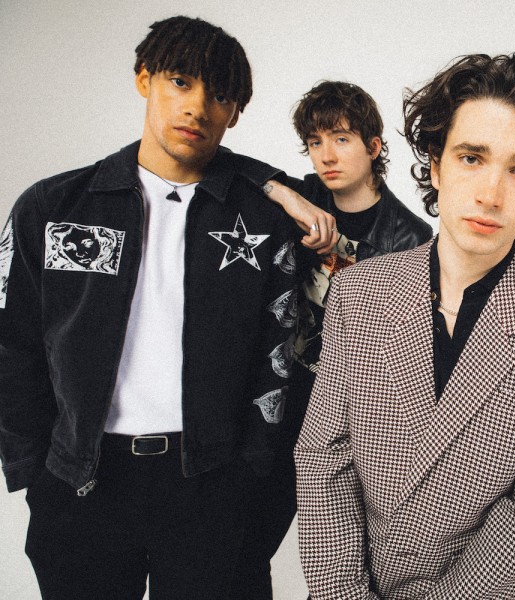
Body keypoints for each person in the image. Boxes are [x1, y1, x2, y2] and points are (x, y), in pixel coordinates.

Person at [0, 16, 300, 600]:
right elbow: (11, 342)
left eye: (219, 94)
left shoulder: (262, 218)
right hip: (82, 486)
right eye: (181, 81)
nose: (198, 107)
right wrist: (33, 469)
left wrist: (252, 477)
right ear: (144, 80)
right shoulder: (54, 205)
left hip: (211, 488)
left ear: (235, 113)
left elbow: (282, 353)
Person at [293, 52, 515, 598]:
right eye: (471, 158)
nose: (491, 194)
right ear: (435, 166)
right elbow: (324, 459)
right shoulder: (358, 291)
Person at [228, 80, 432, 600]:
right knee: (241, 542)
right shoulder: (301, 199)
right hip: (281, 391)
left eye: (341, 138)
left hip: (353, 407)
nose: (326, 155)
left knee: (358, 555)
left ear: (374, 146)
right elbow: (225, 168)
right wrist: (284, 193)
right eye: (315, 142)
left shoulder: (408, 239)